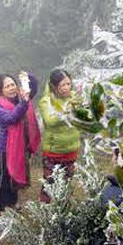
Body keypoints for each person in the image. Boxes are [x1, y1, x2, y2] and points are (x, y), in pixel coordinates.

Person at [0, 73, 41, 213]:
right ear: (0, 91)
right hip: (6, 148)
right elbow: (12, 118)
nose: (11, 88)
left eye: (13, 84)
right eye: (7, 86)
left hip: (20, 146)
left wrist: (27, 77)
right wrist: (24, 102)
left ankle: (12, 203)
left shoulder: (20, 97)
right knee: (4, 176)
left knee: (14, 176)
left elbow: (34, 88)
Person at [38, 69, 81, 203]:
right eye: (62, 85)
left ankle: (62, 210)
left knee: (66, 183)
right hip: (53, 151)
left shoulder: (75, 97)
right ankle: (44, 209)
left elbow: (83, 115)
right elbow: (50, 121)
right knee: (50, 183)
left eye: (68, 84)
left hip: (71, 149)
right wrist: (67, 112)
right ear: (54, 86)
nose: (66, 88)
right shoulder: (46, 101)